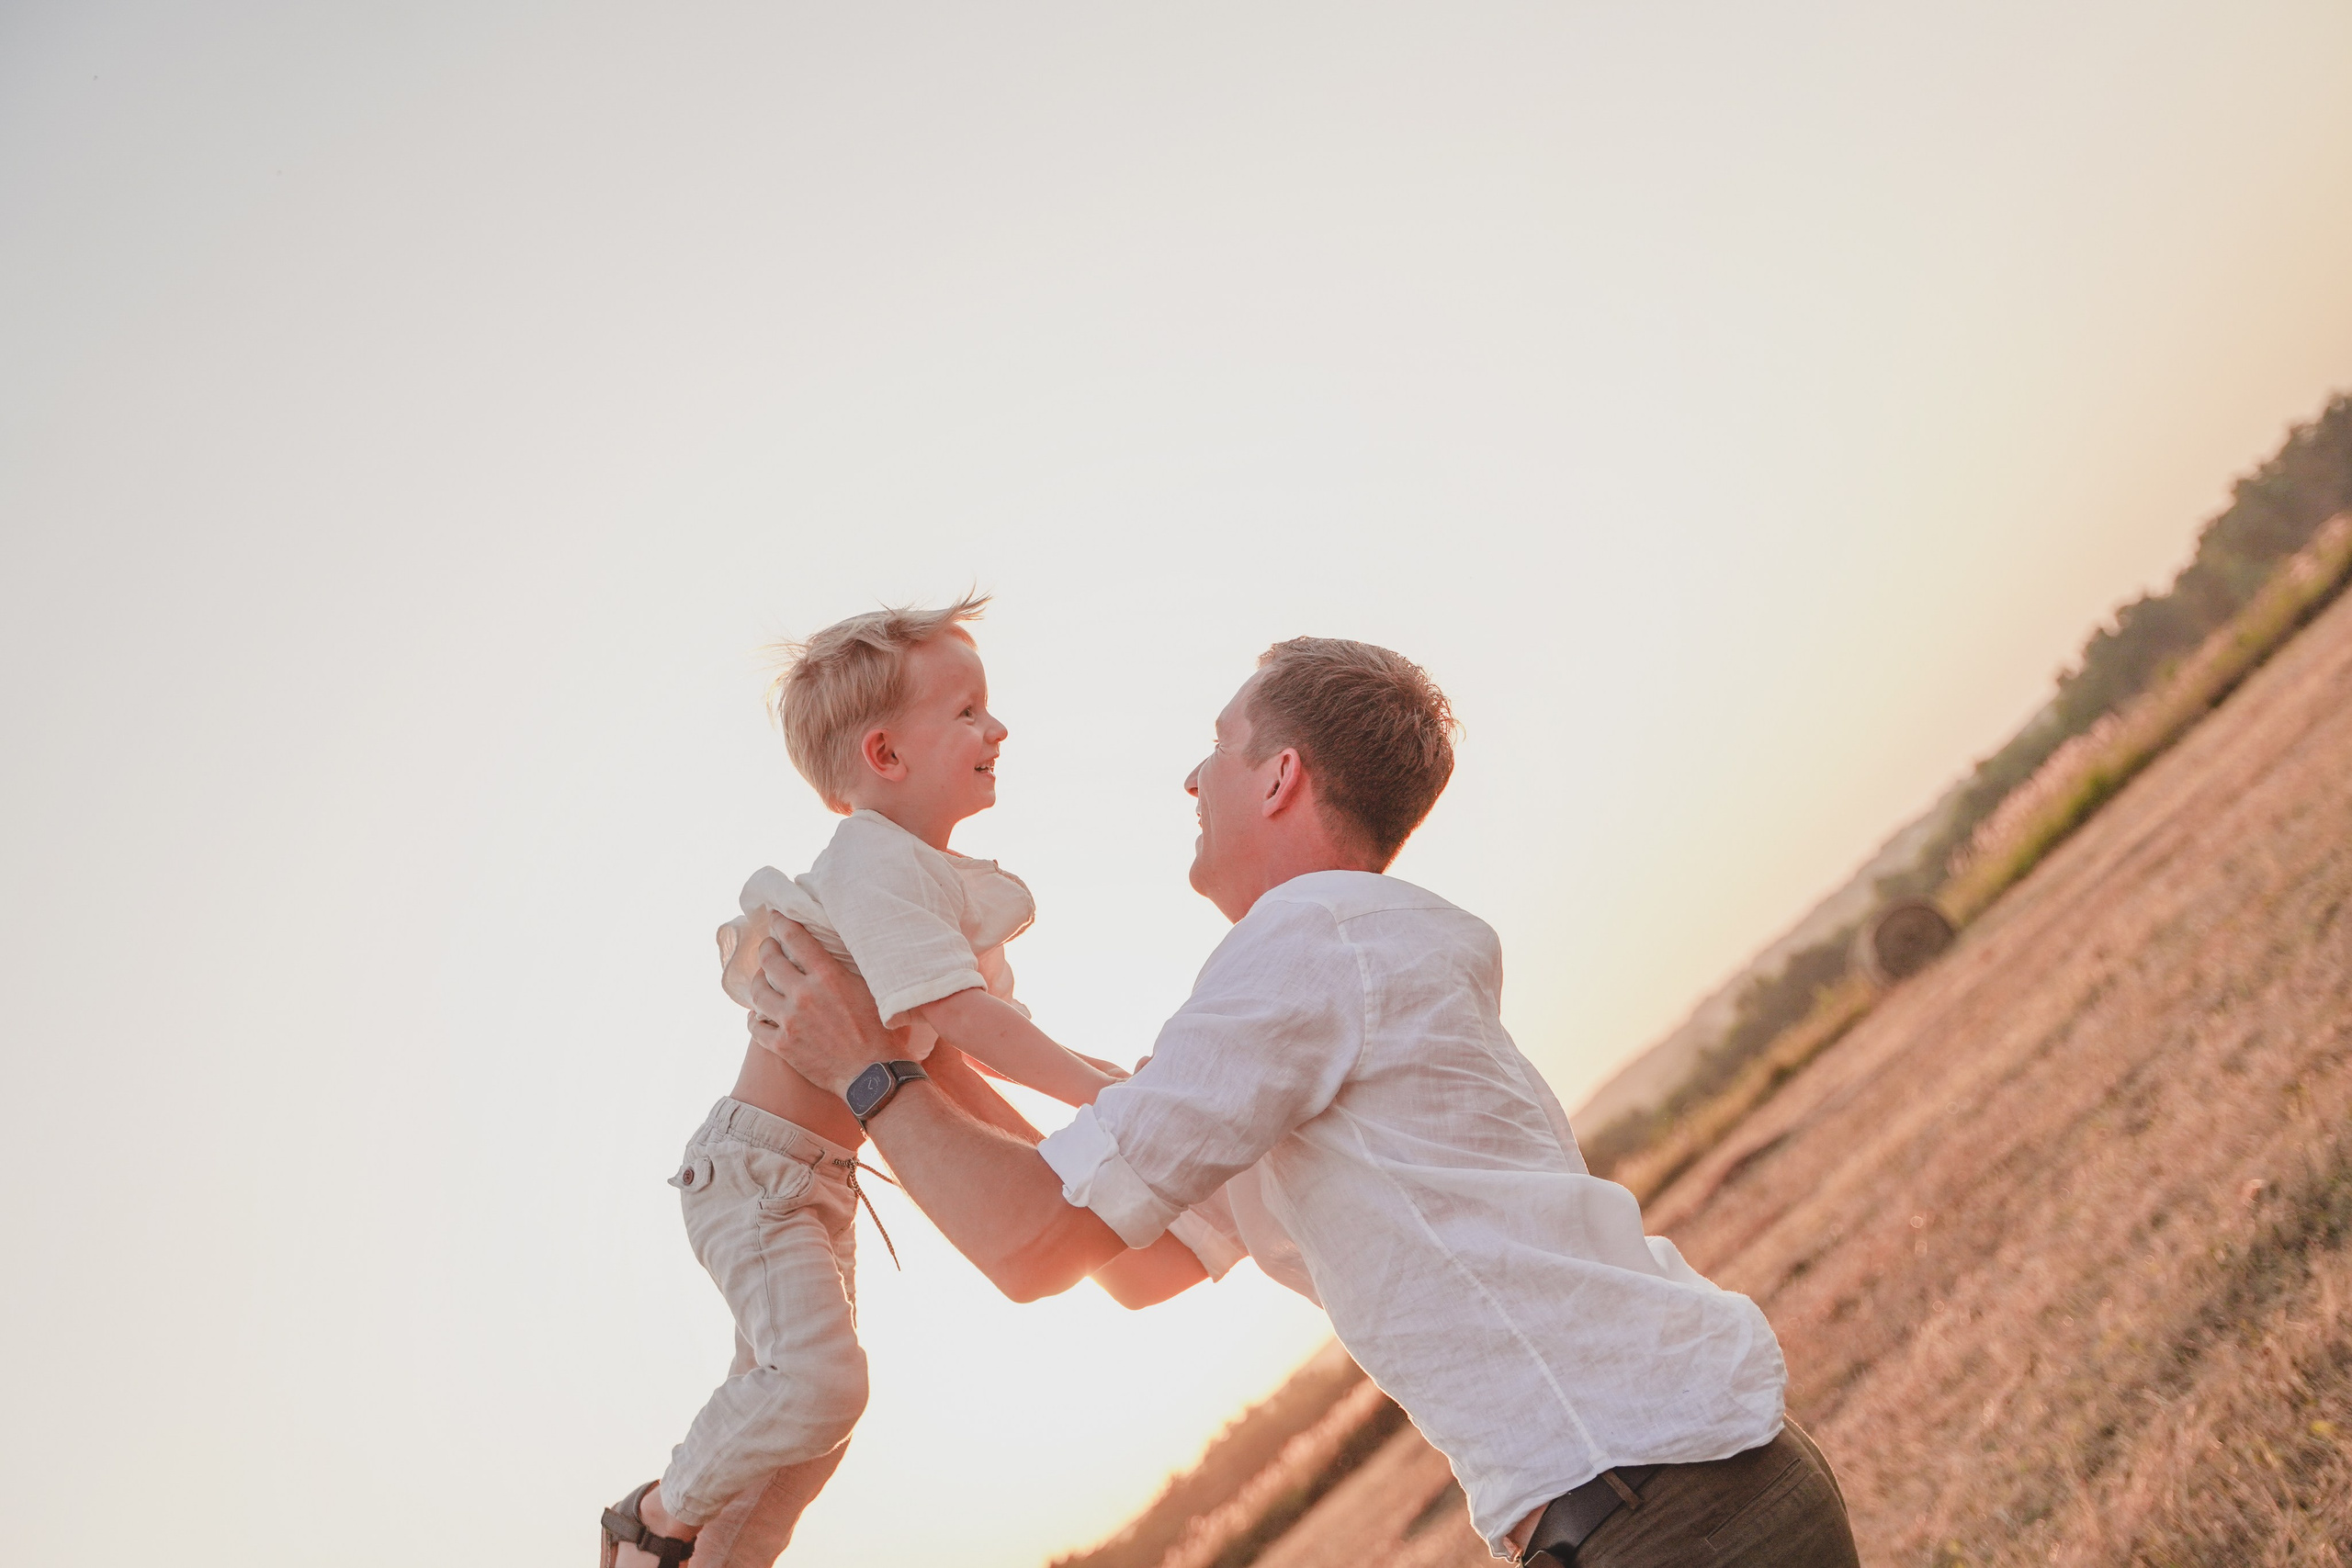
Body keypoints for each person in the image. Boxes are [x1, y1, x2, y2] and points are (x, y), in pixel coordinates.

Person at [742, 637, 1862, 1566]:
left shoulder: (1307, 946)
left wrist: (867, 1062)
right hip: (1683, 1486)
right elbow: (1134, 1267)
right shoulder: (1348, 964)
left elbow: (1028, 1244)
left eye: (1219, 748)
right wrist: (915, 1024)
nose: (1192, 780)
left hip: (1665, 1514)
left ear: (1278, 776)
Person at [601, 596, 1204, 1568]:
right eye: (966, 711)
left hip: (811, 1184)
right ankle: (651, 1519)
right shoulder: (874, 863)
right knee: (820, 1389)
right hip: (755, 1177)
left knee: (804, 1435)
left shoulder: (925, 881)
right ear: (884, 756)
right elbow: (972, 1026)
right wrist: (1106, 1097)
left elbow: (974, 1045)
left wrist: (1109, 1090)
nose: (996, 727)